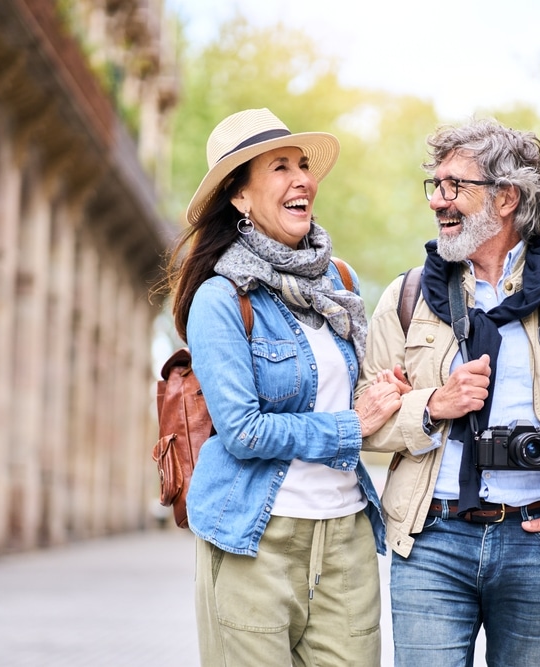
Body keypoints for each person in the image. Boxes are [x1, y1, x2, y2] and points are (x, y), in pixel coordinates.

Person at [358, 118, 540, 666]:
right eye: (435, 185)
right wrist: (432, 407)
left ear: (507, 198)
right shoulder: (407, 297)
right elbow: (362, 423)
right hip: (431, 542)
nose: (438, 201)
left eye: (454, 186)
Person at [165, 108, 405, 666]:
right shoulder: (221, 299)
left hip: (345, 538)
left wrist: (390, 394)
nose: (302, 179)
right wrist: (353, 424)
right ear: (240, 197)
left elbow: (353, 396)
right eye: (280, 167)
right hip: (255, 538)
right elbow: (243, 430)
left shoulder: (338, 283)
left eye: (303, 165)